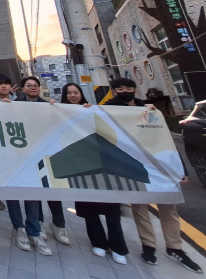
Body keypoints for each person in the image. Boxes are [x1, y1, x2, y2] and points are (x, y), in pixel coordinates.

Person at [108, 78, 201, 272]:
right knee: (140, 208)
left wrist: (180, 169)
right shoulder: (109, 109)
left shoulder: (150, 111)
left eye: (128, 88)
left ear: (134, 90)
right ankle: (148, 246)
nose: (124, 91)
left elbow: (166, 140)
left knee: (169, 208)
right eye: (119, 89)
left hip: (159, 163)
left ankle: (175, 248)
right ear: (114, 91)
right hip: (131, 165)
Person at [70, 81, 128, 265]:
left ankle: (119, 247)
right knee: (89, 208)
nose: (73, 95)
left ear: (81, 94)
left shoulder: (93, 110)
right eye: (69, 93)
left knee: (112, 208)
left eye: (76, 92)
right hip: (79, 166)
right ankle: (99, 243)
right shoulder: (59, 113)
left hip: (104, 164)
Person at [7, 76, 52, 256]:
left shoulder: (49, 106)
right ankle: (19, 228)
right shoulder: (13, 105)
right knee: (12, 193)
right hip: (14, 154)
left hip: (36, 155)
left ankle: (34, 231)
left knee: (32, 193)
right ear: (23, 89)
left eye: (35, 86)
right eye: (29, 86)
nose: (33, 88)